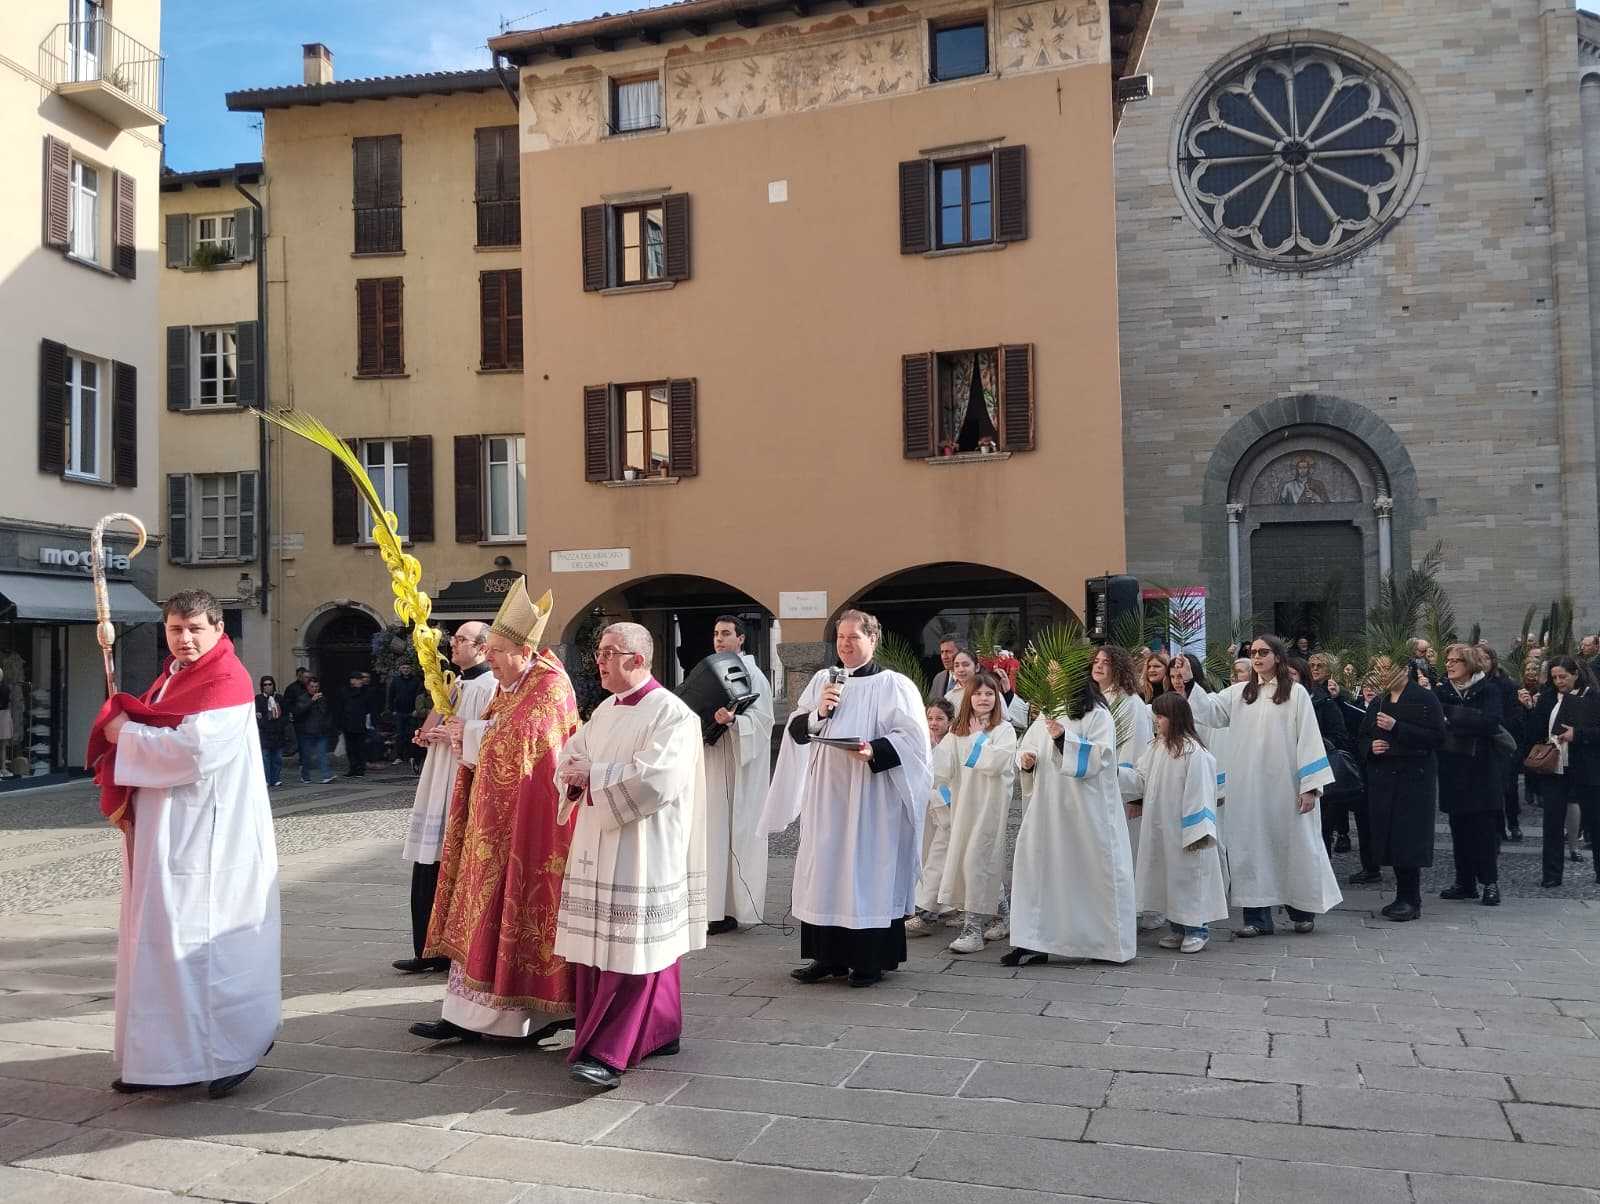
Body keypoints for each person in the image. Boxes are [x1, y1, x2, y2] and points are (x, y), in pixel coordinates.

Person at [87, 589, 279, 1098]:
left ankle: (230, 1050)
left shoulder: (225, 679)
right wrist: (128, 726)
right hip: (168, 831)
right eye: (176, 629)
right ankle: (159, 1061)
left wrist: (124, 732)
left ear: (218, 630)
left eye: (195, 628)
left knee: (200, 945)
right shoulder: (174, 675)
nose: (185, 639)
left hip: (207, 837)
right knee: (156, 942)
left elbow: (194, 753)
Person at [413, 583, 580, 1043]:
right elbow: (496, 730)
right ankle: (463, 1015)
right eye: (491, 650)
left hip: (531, 827)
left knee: (514, 911)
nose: (493, 659)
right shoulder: (512, 683)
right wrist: (464, 732)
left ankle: (524, 1018)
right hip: (492, 821)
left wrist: (469, 733)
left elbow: (527, 744)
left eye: (501, 651)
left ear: (525, 650)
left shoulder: (549, 685)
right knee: (479, 907)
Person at [555, 621, 706, 1089]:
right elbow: (570, 755)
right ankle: (660, 1030)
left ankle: (609, 1050)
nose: (597, 660)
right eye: (599, 652)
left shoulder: (673, 714)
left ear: (637, 660)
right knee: (607, 944)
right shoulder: (605, 709)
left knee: (635, 946)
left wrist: (593, 773)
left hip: (643, 845)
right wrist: (575, 774)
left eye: (607, 652)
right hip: (598, 841)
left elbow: (656, 780)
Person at [762, 609, 931, 989]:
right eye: (840, 638)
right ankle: (826, 957)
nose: (845, 644)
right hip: (826, 794)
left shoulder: (894, 685)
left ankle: (869, 961)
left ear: (873, 639)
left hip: (870, 796)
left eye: (854, 637)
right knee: (825, 867)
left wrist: (876, 750)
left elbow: (914, 740)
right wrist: (820, 713)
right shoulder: (824, 679)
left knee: (866, 870)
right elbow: (798, 726)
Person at [1187, 635, 1341, 936]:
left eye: (1263, 652)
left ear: (1278, 657)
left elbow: (1308, 739)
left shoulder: (1295, 694)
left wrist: (1310, 787)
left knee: (1292, 846)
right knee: (1250, 849)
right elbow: (1209, 711)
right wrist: (1191, 680)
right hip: (1248, 788)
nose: (1256, 657)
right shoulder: (1240, 692)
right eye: (1253, 653)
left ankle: (1301, 911)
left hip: (1286, 786)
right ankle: (1257, 918)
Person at [1005, 672, 1135, 966]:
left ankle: (1103, 944)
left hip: (1085, 811)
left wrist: (1065, 738)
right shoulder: (1048, 712)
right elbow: (1028, 745)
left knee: (1089, 872)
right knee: (1038, 868)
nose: (1051, 682)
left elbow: (1101, 757)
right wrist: (1024, 759)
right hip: (1047, 809)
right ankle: (1033, 942)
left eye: (1056, 676)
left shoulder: (1097, 715)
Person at [393, 621, 495, 974]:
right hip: (436, 779)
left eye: (462, 640)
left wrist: (458, 732)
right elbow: (440, 719)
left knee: (447, 865)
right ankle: (425, 948)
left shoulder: (489, 686)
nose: (454, 644)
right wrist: (427, 731)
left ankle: (447, 949)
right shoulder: (455, 683)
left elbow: (494, 738)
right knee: (426, 864)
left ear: (483, 647)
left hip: (458, 780)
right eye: (453, 639)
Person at [1121, 691, 1228, 953]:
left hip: (1186, 831)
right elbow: (1141, 779)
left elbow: (1200, 795)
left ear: (1176, 717)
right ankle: (1178, 928)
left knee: (1189, 878)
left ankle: (1197, 929)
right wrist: (1114, 773)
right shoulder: (1156, 747)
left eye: (1161, 715)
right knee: (1168, 877)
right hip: (1160, 827)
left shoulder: (1195, 753)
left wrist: (1198, 832)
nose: (1156, 721)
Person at [933, 671, 1018, 954]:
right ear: (969, 696)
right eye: (978, 693)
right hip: (964, 805)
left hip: (989, 806)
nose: (983, 698)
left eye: (989, 694)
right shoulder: (958, 731)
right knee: (974, 861)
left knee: (976, 861)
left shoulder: (1003, 730)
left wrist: (972, 739)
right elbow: (942, 768)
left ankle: (973, 930)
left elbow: (997, 764)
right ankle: (1004, 915)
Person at [1358, 656, 1446, 922]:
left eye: (1388, 669)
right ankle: (1400, 895)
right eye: (1379, 669)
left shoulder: (1424, 698)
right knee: (1391, 838)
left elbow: (1437, 736)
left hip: (1413, 779)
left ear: (1404, 669)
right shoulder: (1379, 701)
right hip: (1384, 779)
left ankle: (1411, 898)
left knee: (1409, 839)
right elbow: (1361, 736)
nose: (1383, 674)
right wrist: (1370, 748)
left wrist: (1398, 727)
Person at [703, 615, 775, 935]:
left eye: (726, 634)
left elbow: (763, 722)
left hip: (736, 767)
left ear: (741, 639)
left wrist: (733, 723)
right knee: (710, 836)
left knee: (732, 835)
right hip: (712, 763)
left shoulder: (752, 674)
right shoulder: (711, 670)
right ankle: (709, 907)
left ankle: (729, 910)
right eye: (716, 633)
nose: (720, 639)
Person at [1434, 644, 1507, 906]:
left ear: (1470, 665)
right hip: (1453, 769)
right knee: (1459, 829)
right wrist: (1464, 721)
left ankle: (1490, 882)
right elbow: (1435, 723)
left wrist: (1453, 717)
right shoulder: (1442, 690)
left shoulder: (1488, 689)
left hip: (1482, 771)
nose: (1450, 665)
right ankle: (1464, 882)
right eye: (1448, 660)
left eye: (1456, 661)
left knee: (1484, 830)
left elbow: (1491, 722)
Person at [1096, 645, 1158, 930]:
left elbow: (1136, 750)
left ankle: (1136, 908)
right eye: (1095, 661)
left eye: (1106, 662)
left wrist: (1136, 795)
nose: (1098, 666)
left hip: (1123, 788)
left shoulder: (1130, 702)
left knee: (1129, 848)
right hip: (1100, 787)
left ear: (1118, 667)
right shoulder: (1095, 699)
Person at [1528, 656, 1600, 888]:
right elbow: (1535, 730)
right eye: (1555, 677)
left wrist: (1577, 735)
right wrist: (1530, 709)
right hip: (1554, 767)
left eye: (1563, 677)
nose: (1559, 681)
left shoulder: (1592, 697)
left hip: (1586, 767)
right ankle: (1551, 874)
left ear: (1575, 674)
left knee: (1595, 821)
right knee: (1551, 822)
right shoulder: (1548, 698)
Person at [907, 698, 955, 936]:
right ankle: (942, 907)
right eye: (930, 718)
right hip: (927, 811)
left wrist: (936, 796)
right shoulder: (925, 743)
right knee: (929, 859)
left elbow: (953, 780)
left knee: (938, 860)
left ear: (950, 722)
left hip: (946, 811)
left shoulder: (953, 744)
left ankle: (926, 914)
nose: (934, 723)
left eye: (939, 719)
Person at [291, 675, 334, 784]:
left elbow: (326, 713)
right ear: (307, 687)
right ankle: (305, 776)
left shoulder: (322, 698)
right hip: (306, 732)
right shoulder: (302, 698)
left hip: (320, 731)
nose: (314, 688)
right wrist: (311, 701)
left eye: (316, 686)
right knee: (306, 756)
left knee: (322, 753)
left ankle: (326, 774)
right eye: (312, 686)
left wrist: (327, 725)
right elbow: (298, 711)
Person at [386, 662, 423, 766]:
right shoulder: (396, 681)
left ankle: (411, 756)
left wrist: (417, 709)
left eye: (408, 667)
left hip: (412, 712)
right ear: (400, 669)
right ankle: (399, 756)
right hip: (399, 712)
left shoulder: (416, 681)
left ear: (411, 669)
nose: (406, 669)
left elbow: (419, 695)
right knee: (399, 735)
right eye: (404, 668)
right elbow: (391, 695)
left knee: (412, 734)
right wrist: (391, 709)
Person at [254, 676, 289, 788]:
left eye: (270, 684)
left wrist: (281, 724)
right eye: (265, 685)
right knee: (265, 757)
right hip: (265, 734)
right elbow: (257, 715)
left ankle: (276, 778)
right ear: (262, 687)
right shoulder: (258, 699)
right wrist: (263, 724)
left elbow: (285, 714)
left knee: (277, 758)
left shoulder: (279, 698)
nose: (268, 687)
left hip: (278, 733)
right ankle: (267, 779)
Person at [339, 670, 373, 776]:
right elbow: (340, 708)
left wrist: (370, 723)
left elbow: (369, 708)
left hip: (361, 723)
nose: (361, 682)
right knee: (350, 748)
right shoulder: (344, 691)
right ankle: (353, 767)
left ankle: (360, 768)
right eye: (358, 679)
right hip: (348, 723)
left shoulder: (366, 692)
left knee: (360, 747)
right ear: (352, 680)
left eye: (361, 680)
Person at [282, 666, 310, 775]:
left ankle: (304, 762)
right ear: (299, 676)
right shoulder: (292, 688)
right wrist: (291, 713)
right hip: (297, 719)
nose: (306, 679)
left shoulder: (309, 687)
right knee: (300, 741)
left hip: (307, 718)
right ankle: (303, 763)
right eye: (304, 676)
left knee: (304, 742)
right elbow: (287, 704)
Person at [929, 637, 961, 703]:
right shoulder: (938, 678)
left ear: (961, 653)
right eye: (942, 652)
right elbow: (931, 706)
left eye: (948, 652)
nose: (944, 657)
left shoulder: (974, 678)